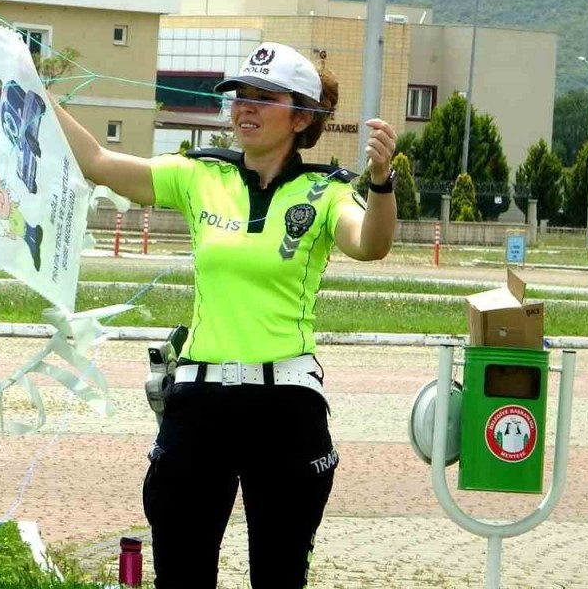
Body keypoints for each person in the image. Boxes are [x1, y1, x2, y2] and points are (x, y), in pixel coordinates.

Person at [54, 41, 397, 588]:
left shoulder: (325, 192)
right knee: (182, 573)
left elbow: (370, 244)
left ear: (303, 115)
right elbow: (99, 163)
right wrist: (37, 91)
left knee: (279, 576)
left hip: (286, 407)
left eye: (264, 98)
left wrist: (381, 183)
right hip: (198, 405)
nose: (246, 108)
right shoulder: (198, 175)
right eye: (240, 96)